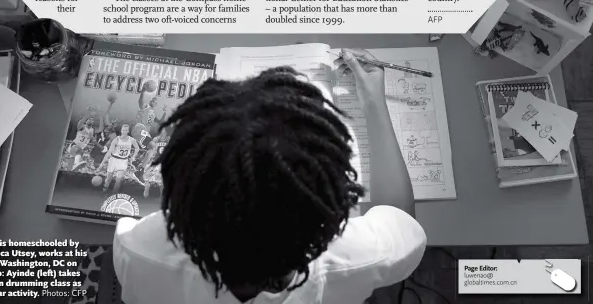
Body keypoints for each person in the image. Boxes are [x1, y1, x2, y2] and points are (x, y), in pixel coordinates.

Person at [113, 49, 426, 304]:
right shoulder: (356, 257)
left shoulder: (138, 249)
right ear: (330, 213)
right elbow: (402, 222)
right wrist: (374, 103)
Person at [99, 124, 140, 193]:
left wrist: (133, 157)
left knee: (118, 180)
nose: (124, 131)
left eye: (126, 130)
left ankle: (113, 195)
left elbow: (137, 148)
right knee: (108, 179)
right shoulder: (116, 139)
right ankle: (104, 190)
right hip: (114, 160)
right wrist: (102, 163)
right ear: (121, 131)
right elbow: (109, 152)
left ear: (128, 131)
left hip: (123, 161)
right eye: (123, 130)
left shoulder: (132, 140)